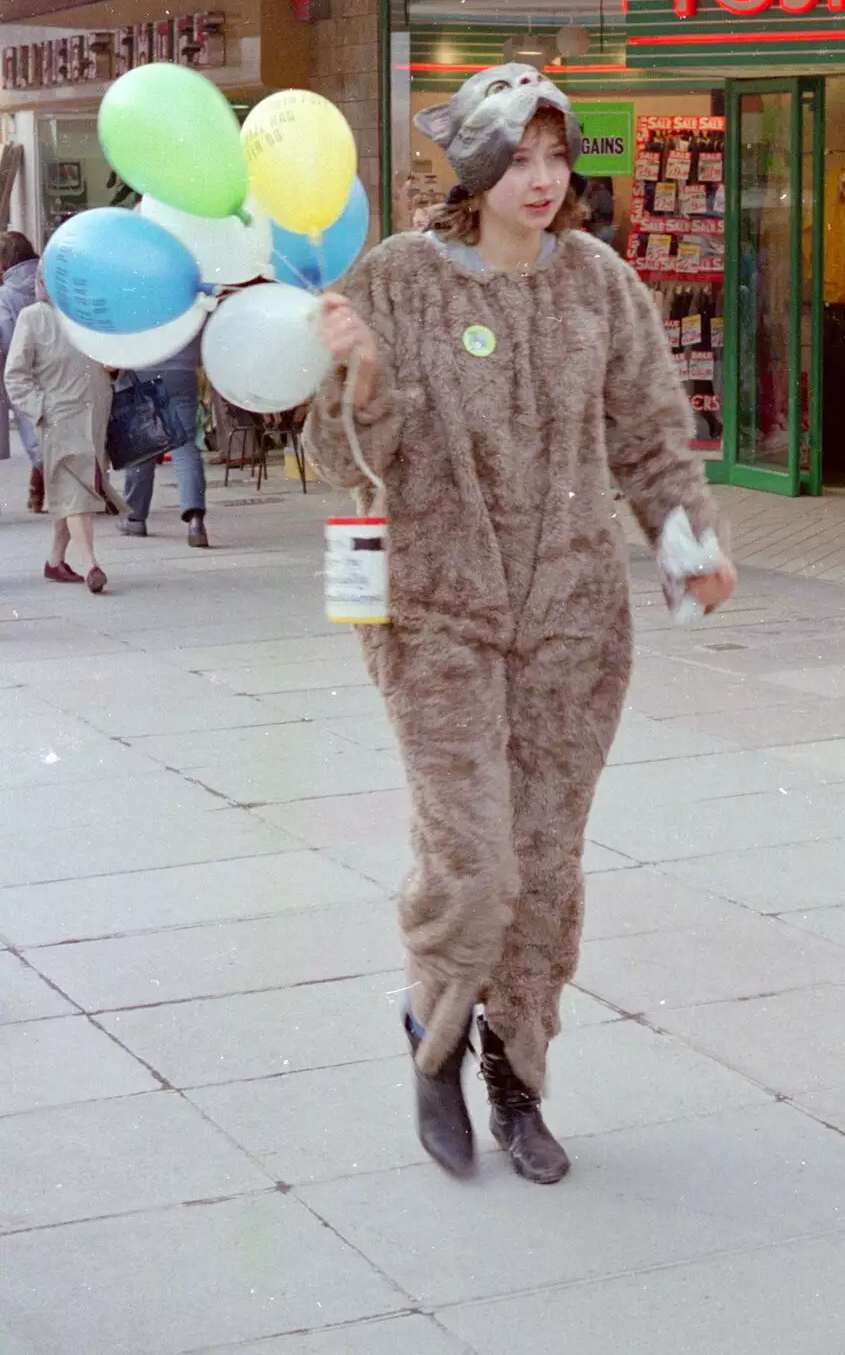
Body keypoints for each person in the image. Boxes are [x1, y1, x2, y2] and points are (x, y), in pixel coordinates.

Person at [305, 63, 736, 1187]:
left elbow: (648, 433)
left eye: (557, 156)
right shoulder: (399, 277)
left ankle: (519, 1074)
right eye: (519, 155)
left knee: (544, 868)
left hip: (573, 624)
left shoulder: (599, 283)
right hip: (435, 612)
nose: (541, 180)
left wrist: (689, 546)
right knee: (476, 860)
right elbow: (339, 454)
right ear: (477, 163)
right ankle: (433, 1043)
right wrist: (356, 379)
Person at [4, 268, 118, 592]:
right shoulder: (33, 317)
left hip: (93, 417)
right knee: (75, 493)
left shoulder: (89, 317)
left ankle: (55, 562)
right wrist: (41, 409)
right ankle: (90, 564)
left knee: (72, 494)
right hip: (59, 420)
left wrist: (113, 367)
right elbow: (15, 375)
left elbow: (107, 365)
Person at [118, 331, 208, 547]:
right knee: (186, 447)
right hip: (181, 369)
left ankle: (135, 518)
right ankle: (195, 519)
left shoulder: (130, 295)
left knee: (143, 442)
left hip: (140, 368)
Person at [0, 230, 45, 512]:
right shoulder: (47, 281)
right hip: (57, 365)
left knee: (32, 428)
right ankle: (37, 490)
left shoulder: (6, 294)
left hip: (22, 371)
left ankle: (44, 485)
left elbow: (5, 336)